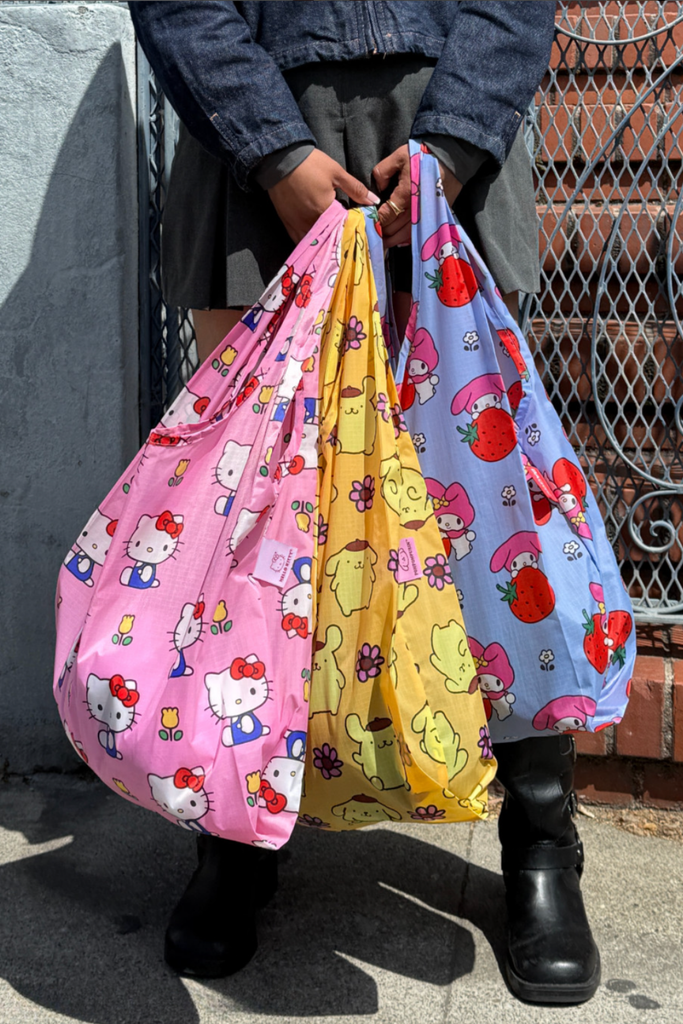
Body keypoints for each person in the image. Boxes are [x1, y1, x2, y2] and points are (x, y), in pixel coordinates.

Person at [130, 1, 598, 1007]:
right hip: (257, 128)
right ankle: (235, 826)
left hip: (449, 118)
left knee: (482, 522)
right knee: (255, 516)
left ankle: (538, 837)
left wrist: (457, 140)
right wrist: (271, 149)